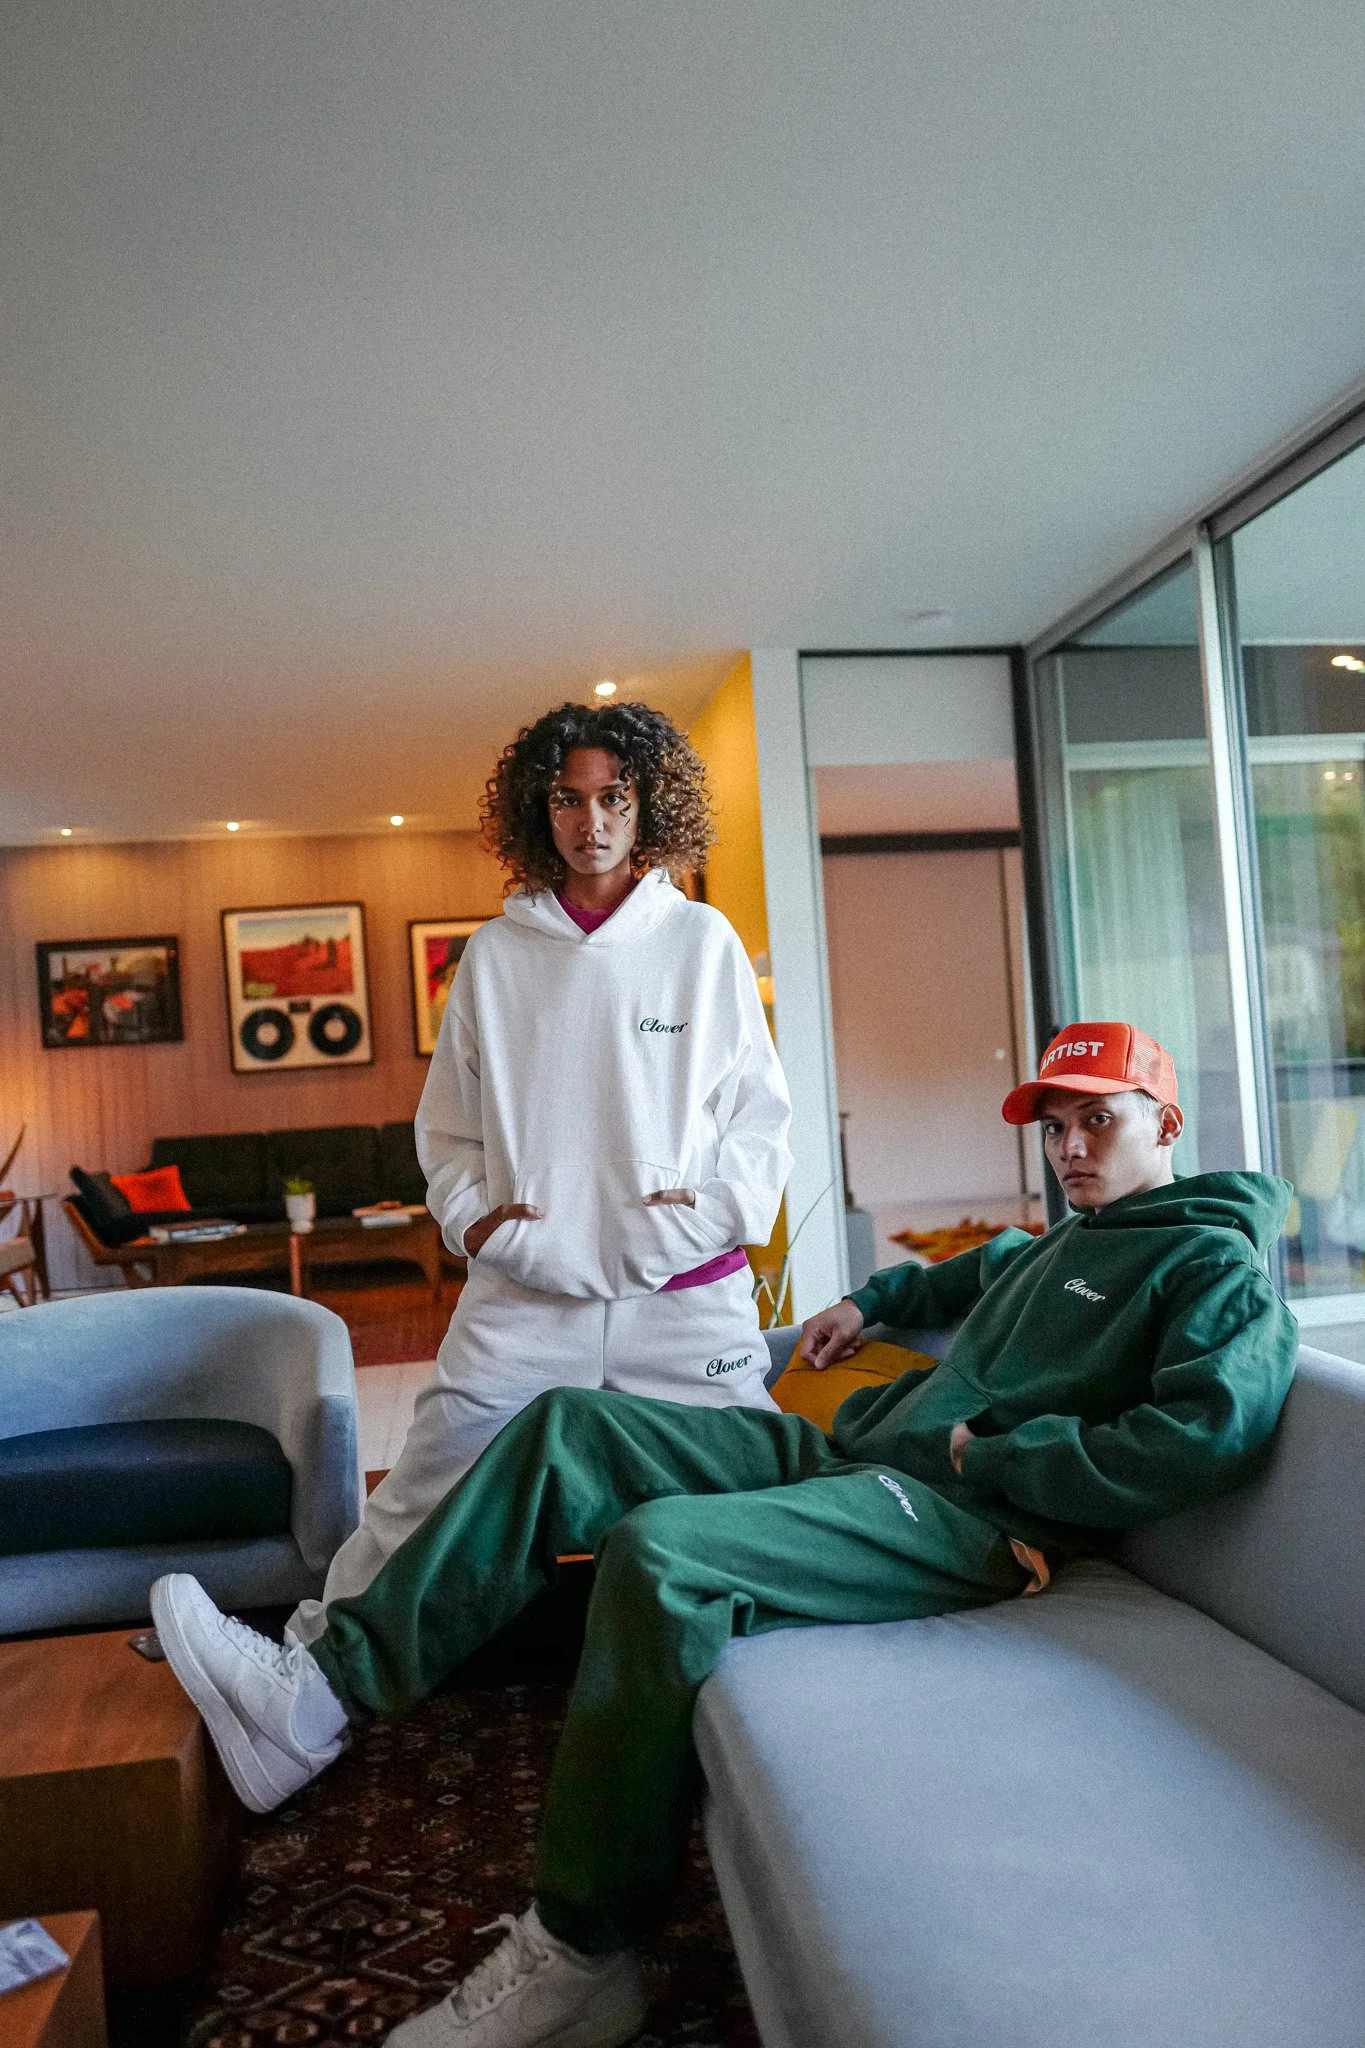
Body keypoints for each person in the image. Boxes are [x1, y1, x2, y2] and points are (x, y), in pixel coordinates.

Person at [153, 1020, 1297, 2048]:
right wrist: (867, 1303)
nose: (1070, 1147)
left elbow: (1209, 1434)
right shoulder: (1068, 1237)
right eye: (1054, 1127)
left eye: (1098, 1120)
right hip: (860, 1457)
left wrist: (997, 1455)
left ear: (1166, 1123)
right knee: (569, 1428)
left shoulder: (1210, 1260)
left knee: (661, 1552)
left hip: (966, 1520)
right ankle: (326, 1689)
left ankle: (583, 1948)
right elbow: (977, 1268)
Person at [287, 700, 793, 1646]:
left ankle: (778, 1675)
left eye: (614, 796)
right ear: (539, 809)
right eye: (567, 798)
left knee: (752, 1491)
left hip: (684, 1296)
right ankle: (307, 1664)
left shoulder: (702, 942)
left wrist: (703, 1218)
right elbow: (448, 1130)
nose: (590, 820)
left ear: (648, 805)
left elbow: (758, 1118)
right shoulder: (493, 956)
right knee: (424, 1493)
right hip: (524, 1293)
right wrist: (479, 1223)